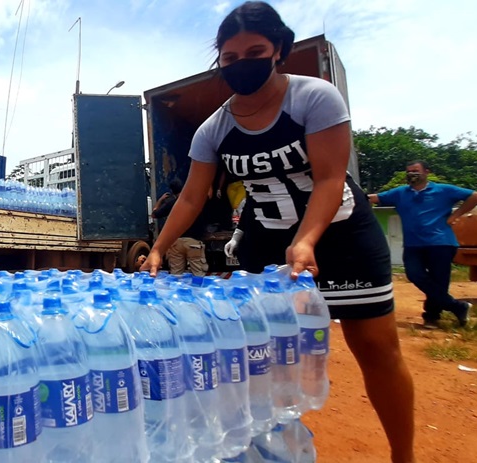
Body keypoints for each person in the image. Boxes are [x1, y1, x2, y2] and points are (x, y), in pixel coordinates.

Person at [140, 3, 415, 461]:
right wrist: (159, 248)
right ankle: (274, 451)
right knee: (262, 358)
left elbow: (330, 178)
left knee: (376, 349)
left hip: (341, 234)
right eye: (229, 58)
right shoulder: (215, 129)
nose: (241, 63)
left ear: (278, 51)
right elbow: (191, 197)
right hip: (267, 243)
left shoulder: (314, 98)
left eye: (255, 51)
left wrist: (306, 240)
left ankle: (403, 456)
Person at [369, 160, 477, 328]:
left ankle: (432, 317)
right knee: (414, 274)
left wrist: (455, 216)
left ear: (426, 171)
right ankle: (458, 306)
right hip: (413, 244)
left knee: (439, 280)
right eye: (409, 171)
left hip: (441, 242)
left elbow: (475, 196)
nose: (412, 174)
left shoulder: (444, 190)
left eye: (416, 170)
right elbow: (374, 198)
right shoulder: (400, 193)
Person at [151, 178, 210, 275]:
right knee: (199, 275)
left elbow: (154, 214)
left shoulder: (171, 204)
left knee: (176, 275)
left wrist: (160, 200)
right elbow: (208, 193)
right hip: (193, 242)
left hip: (175, 242)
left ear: (172, 192)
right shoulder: (197, 201)